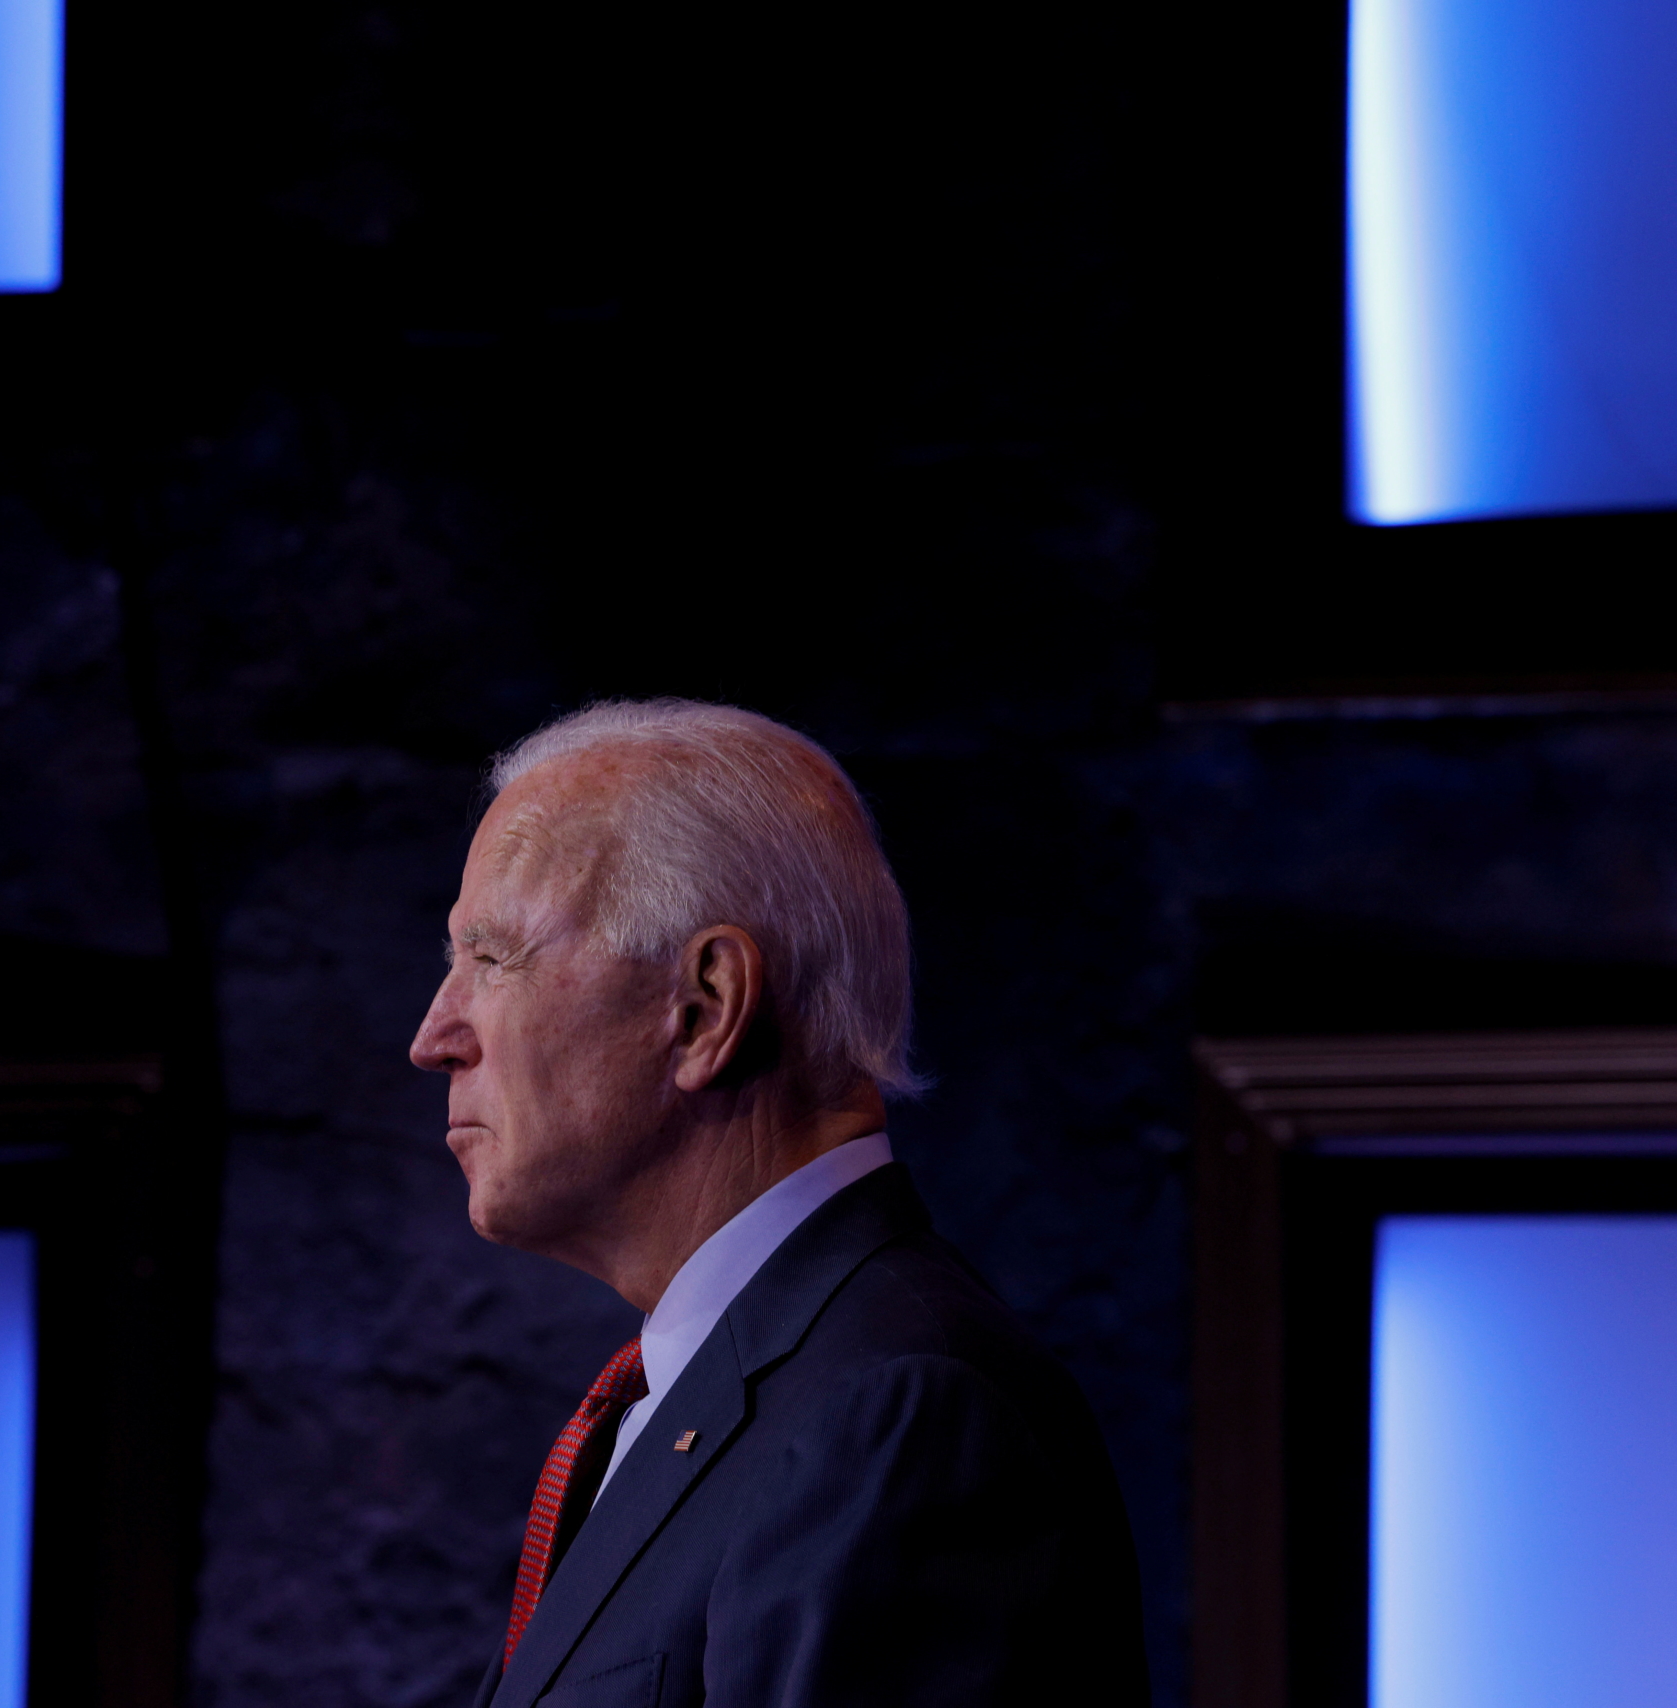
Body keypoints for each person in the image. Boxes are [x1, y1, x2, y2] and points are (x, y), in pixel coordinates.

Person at [409, 698, 1149, 1708]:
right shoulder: (719, 1393)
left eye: (492, 960)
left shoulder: (899, 1412)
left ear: (704, 1007)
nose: (435, 1033)